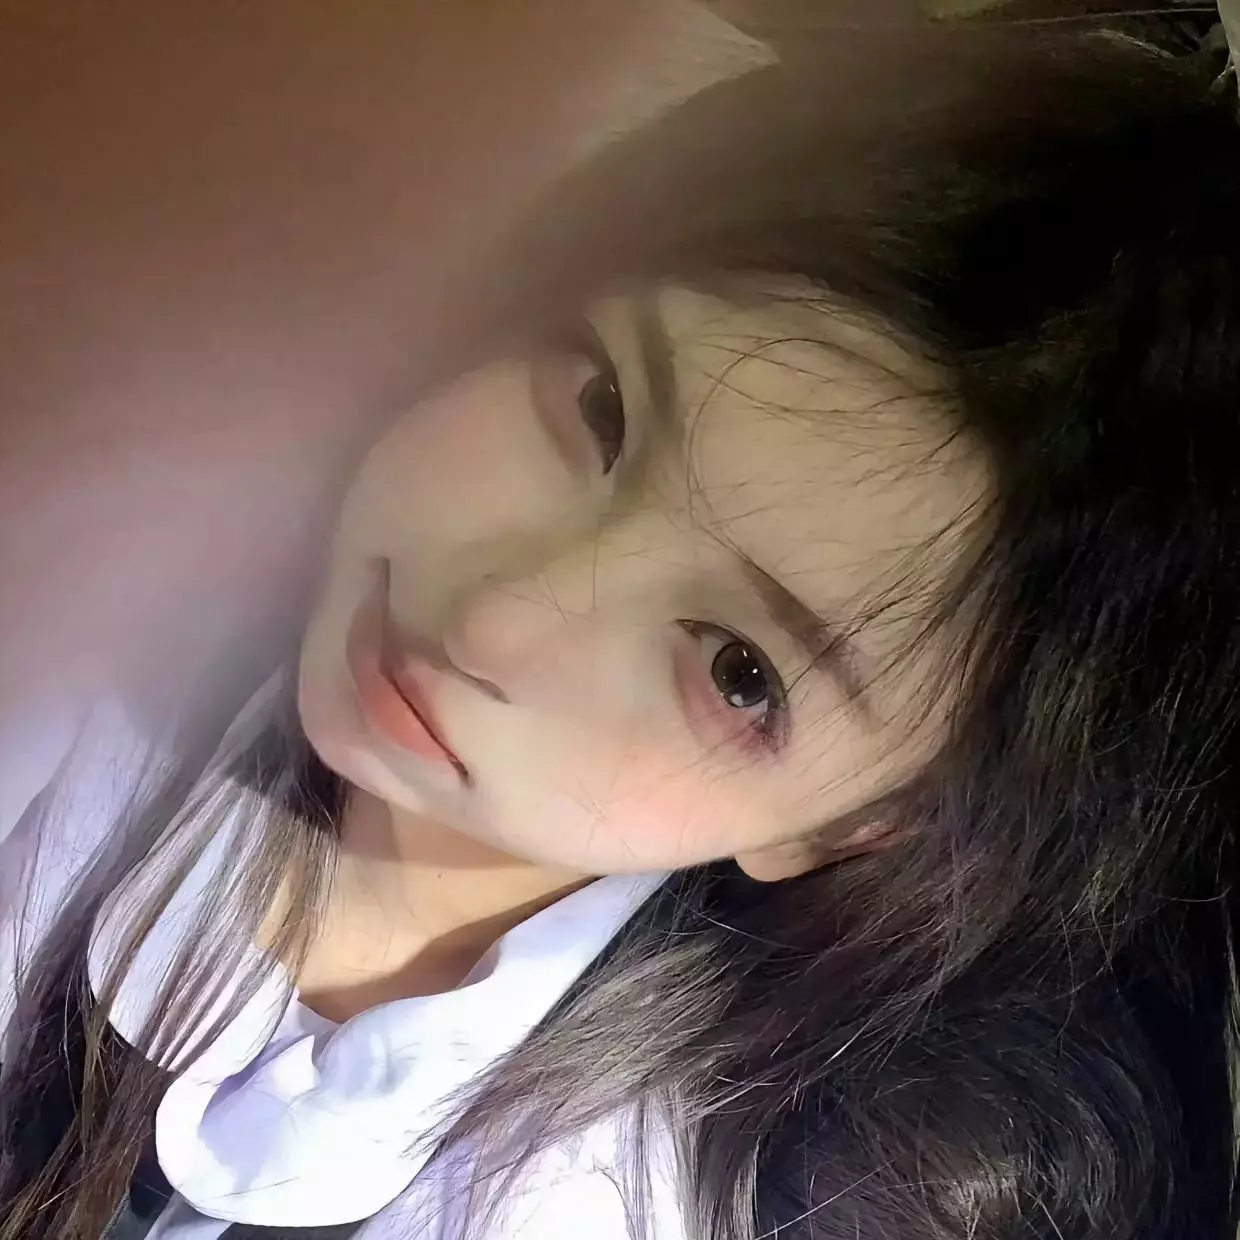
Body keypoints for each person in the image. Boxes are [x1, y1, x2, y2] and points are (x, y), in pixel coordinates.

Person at [3, 14, 1239, 1240]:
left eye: (737, 669)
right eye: (600, 408)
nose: (491, 618)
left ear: (848, 828)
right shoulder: (87, 577)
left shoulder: (672, 1200)